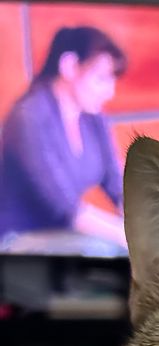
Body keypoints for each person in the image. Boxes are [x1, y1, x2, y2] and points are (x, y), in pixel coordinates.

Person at [0, 26, 128, 250]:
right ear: (69, 66)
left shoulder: (94, 117)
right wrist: (127, 236)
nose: (110, 92)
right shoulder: (29, 117)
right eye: (101, 79)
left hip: (63, 234)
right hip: (17, 238)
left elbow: (116, 185)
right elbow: (66, 210)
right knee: (104, 249)